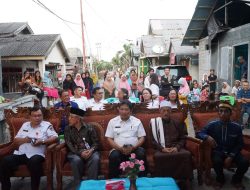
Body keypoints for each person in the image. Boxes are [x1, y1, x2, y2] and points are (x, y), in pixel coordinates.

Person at [0, 107, 58, 190]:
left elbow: (55, 137)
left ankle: (34, 188)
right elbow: (16, 139)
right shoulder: (25, 125)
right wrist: (26, 140)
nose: (37, 118)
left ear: (42, 116)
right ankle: (5, 188)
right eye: (34, 116)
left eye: (39, 115)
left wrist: (42, 141)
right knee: (5, 161)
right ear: (30, 117)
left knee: (34, 162)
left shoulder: (47, 125)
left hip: (37, 154)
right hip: (21, 154)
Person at [196, 101, 249, 189]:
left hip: (232, 151)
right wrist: (207, 137)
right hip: (218, 151)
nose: (223, 114)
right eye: (220, 111)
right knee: (217, 161)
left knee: (244, 163)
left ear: (230, 113)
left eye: (226, 111)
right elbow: (199, 133)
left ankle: (236, 179)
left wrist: (231, 156)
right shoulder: (212, 125)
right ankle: (220, 179)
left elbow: (240, 144)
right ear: (218, 113)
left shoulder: (237, 127)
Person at [150, 101, 192, 184]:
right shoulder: (154, 123)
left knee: (186, 154)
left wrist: (177, 147)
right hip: (161, 148)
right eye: (163, 110)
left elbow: (183, 137)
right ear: (160, 111)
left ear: (171, 111)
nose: (166, 113)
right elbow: (153, 140)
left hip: (176, 147)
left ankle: (183, 181)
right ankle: (162, 182)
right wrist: (162, 149)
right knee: (158, 157)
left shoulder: (178, 123)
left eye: (168, 111)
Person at [105, 100, 146, 178]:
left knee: (141, 153)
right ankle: (114, 180)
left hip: (134, 149)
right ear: (118, 109)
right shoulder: (112, 122)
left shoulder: (137, 121)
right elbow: (109, 138)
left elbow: (142, 137)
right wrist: (120, 148)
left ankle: (142, 180)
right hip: (118, 149)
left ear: (131, 111)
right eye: (122, 109)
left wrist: (134, 147)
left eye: (126, 109)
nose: (124, 111)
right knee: (114, 156)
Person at [64, 107, 100, 189]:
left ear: (77, 119)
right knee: (76, 160)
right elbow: (69, 145)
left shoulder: (89, 127)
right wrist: (80, 153)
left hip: (90, 151)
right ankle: (78, 185)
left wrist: (91, 151)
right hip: (75, 153)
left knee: (95, 158)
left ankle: (92, 185)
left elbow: (96, 143)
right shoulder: (67, 129)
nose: (68, 119)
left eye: (71, 117)